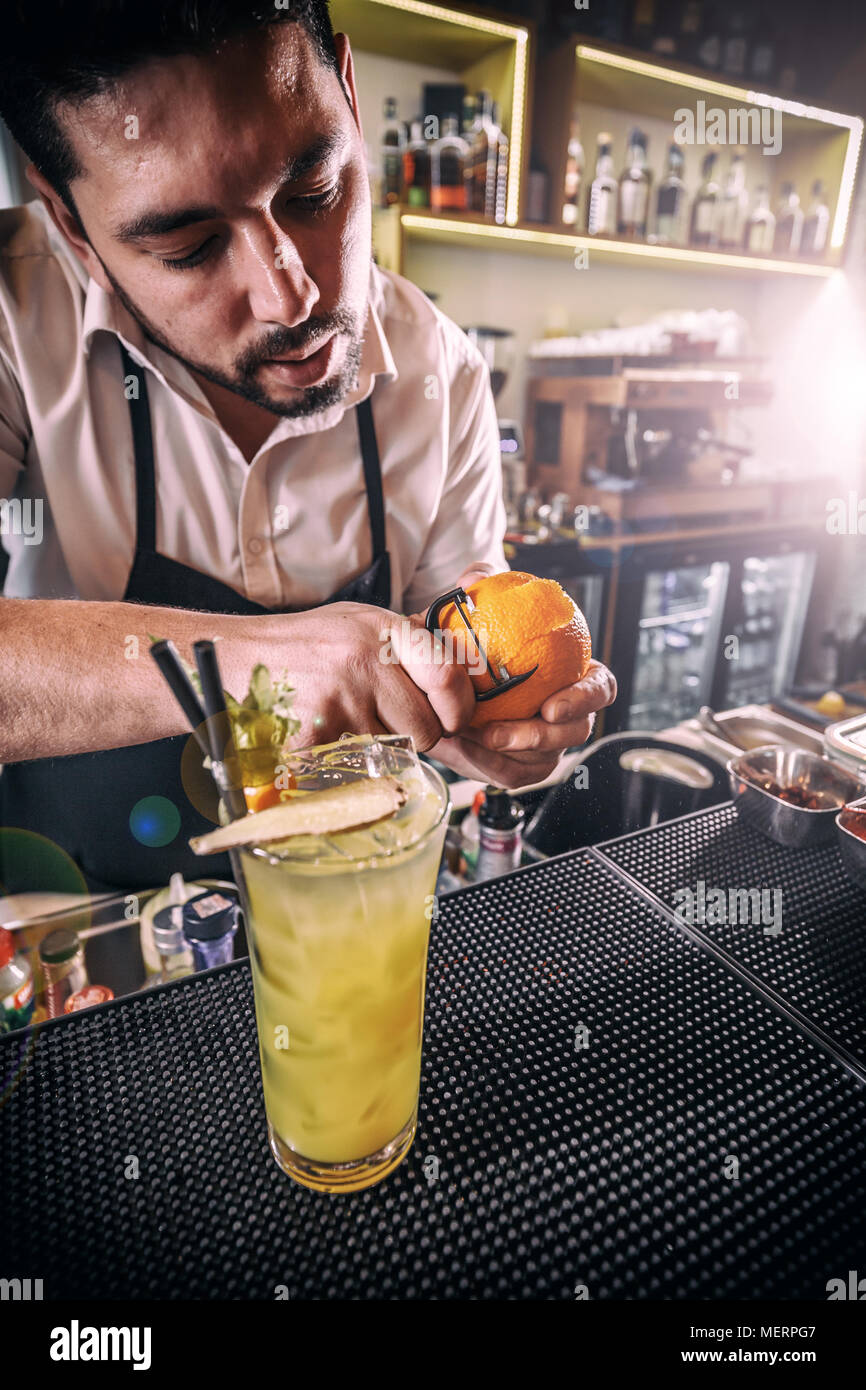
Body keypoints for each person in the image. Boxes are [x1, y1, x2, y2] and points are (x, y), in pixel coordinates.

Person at [0, 0, 615, 891]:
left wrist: (513, 727)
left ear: (352, 100)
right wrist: (265, 661)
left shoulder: (443, 369)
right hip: (80, 940)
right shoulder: (15, 322)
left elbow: (473, 645)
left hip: (349, 912)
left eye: (316, 192)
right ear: (65, 218)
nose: (292, 295)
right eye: (192, 246)